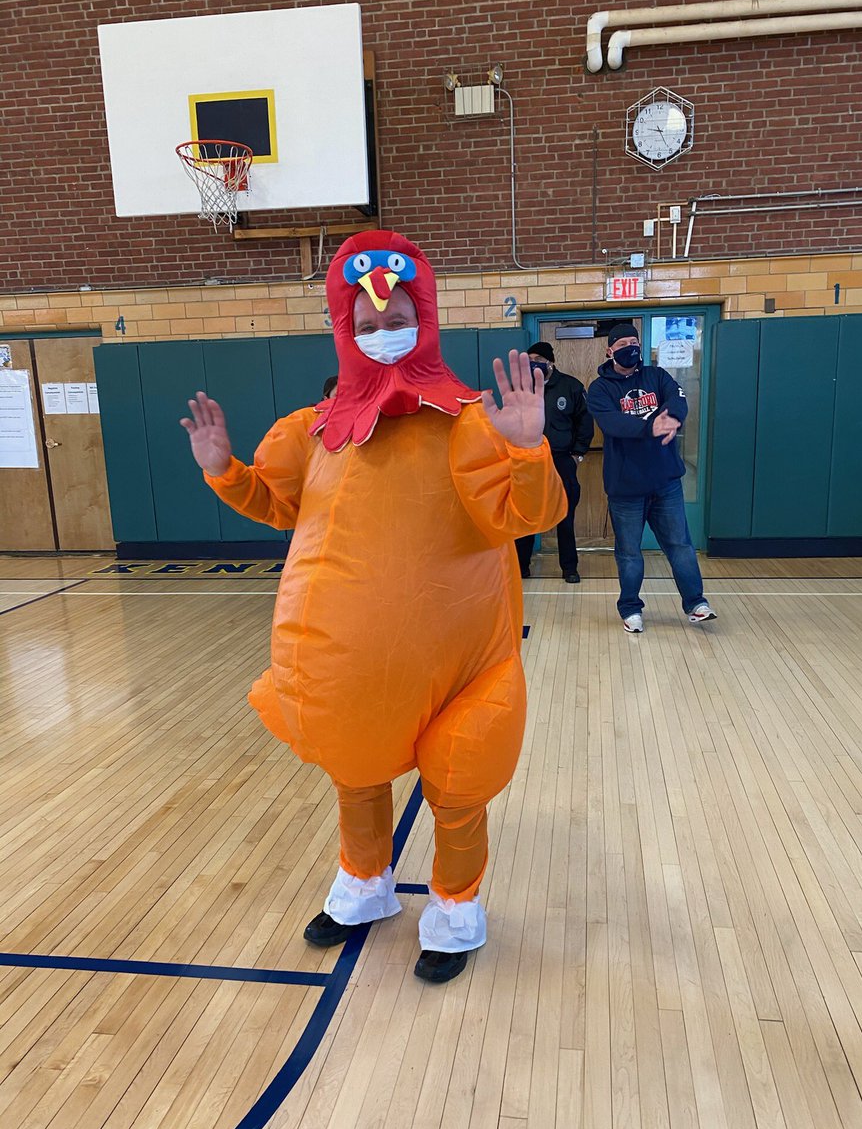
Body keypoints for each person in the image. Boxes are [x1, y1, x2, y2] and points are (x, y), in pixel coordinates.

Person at [180, 230, 566, 984]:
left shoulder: (467, 422)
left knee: (457, 783)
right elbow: (275, 499)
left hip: (462, 666)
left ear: (425, 322)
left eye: (398, 322)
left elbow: (527, 517)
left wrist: (526, 449)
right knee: (354, 774)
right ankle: (365, 887)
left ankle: (455, 910)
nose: (384, 336)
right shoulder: (314, 433)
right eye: (368, 325)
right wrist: (223, 470)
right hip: (352, 669)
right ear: (343, 331)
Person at [586, 323, 716, 633]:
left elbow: (677, 398)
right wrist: (650, 426)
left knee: (680, 545)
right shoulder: (600, 389)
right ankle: (630, 608)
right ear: (610, 350)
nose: (630, 348)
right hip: (626, 489)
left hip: (665, 483)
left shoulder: (657, 376)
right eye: (623, 344)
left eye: (635, 342)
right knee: (629, 552)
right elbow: (613, 423)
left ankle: (695, 603)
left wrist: (671, 416)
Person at [514, 342, 594, 583]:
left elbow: (585, 422)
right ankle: (521, 566)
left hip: (561, 460)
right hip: (530, 461)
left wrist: (577, 454)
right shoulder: (521, 390)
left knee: (565, 515)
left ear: (551, 362)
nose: (532, 363)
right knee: (527, 515)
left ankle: (569, 568)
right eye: (528, 359)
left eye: (537, 358)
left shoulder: (571, 386)